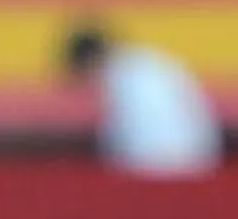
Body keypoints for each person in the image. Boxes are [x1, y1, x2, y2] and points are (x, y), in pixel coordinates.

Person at [63, 19, 221, 177]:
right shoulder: (153, 62)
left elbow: (128, 139)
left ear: (90, 61)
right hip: (199, 161)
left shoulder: (122, 77)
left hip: (158, 168)